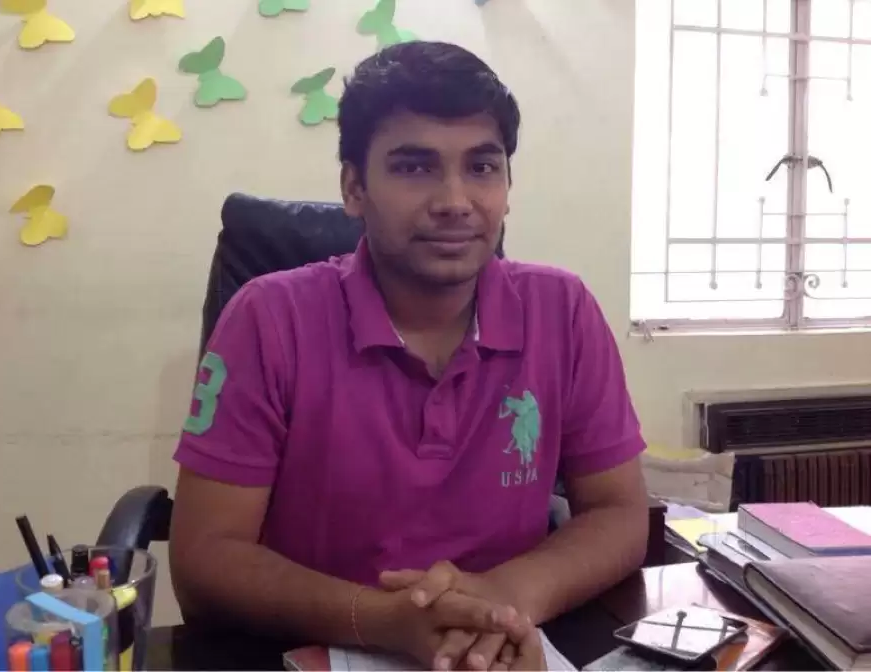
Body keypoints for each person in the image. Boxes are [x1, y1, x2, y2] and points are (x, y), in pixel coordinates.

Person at [169, 40, 648, 671]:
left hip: (502, 650)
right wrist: (384, 621)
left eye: (482, 167)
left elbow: (619, 512)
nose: (455, 200)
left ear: (507, 185)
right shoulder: (268, 318)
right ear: (354, 188)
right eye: (415, 167)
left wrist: (502, 598)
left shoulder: (563, 310)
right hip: (313, 648)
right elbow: (204, 559)